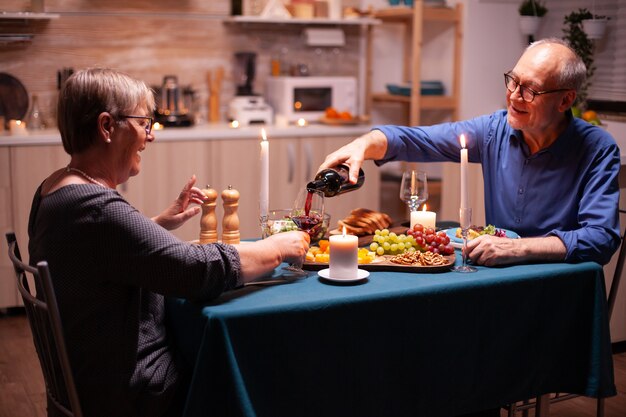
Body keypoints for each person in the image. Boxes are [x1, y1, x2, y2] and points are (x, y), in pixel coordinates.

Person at [27, 67, 310, 417]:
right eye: (144, 123)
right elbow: (196, 272)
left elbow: (97, 255)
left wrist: (156, 225)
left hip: (91, 380)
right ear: (106, 127)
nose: (151, 136)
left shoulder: (54, 188)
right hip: (133, 394)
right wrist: (279, 247)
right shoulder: (95, 208)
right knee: (266, 367)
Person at [319, 38, 621, 267]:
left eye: (530, 89)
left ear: (565, 100)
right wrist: (364, 144)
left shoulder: (597, 148)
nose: (514, 96)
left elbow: (601, 238)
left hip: (558, 288)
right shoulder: (493, 130)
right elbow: (418, 140)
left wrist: (518, 248)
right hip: (498, 279)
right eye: (513, 81)